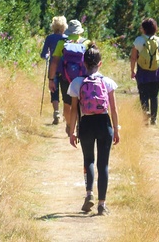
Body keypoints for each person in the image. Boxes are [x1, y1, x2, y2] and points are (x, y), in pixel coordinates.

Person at [67, 43, 120, 216]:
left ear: (83, 63)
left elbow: (74, 109)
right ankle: (102, 205)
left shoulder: (77, 83)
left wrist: (72, 130)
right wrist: (117, 130)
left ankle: (89, 193)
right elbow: (113, 109)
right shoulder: (108, 82)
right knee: (103, 164)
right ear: (100, 63)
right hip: (104, 124)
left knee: (89, 159)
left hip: (86, 124)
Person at [48, 19, 91, 134]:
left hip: (65, 78)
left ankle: (69, 124)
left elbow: (54, 62)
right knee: (80, 103)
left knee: (67, 104)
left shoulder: (62, 43)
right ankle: (78, 125)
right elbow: (93, 62)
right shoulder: (87, 43)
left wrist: (51, 79)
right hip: (83, 79)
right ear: (80, 31)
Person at [130, 18, 159, 125]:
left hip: (142, 72)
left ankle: (145, 116)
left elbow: (133, 57)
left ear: (144, 29)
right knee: (154, 95)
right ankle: (154, 119)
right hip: (156, 72)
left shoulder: (138, 40)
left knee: (143, 95)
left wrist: (132, 71)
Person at [41, 16, 68, 124]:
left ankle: (56, 112)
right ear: (64, 26)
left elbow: (43, 54)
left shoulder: (49, 38)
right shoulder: (67, 38)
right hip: (66, 69)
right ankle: (67, 115)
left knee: (54, 91)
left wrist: (48, 55)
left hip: (53, 68)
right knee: (66, 92)